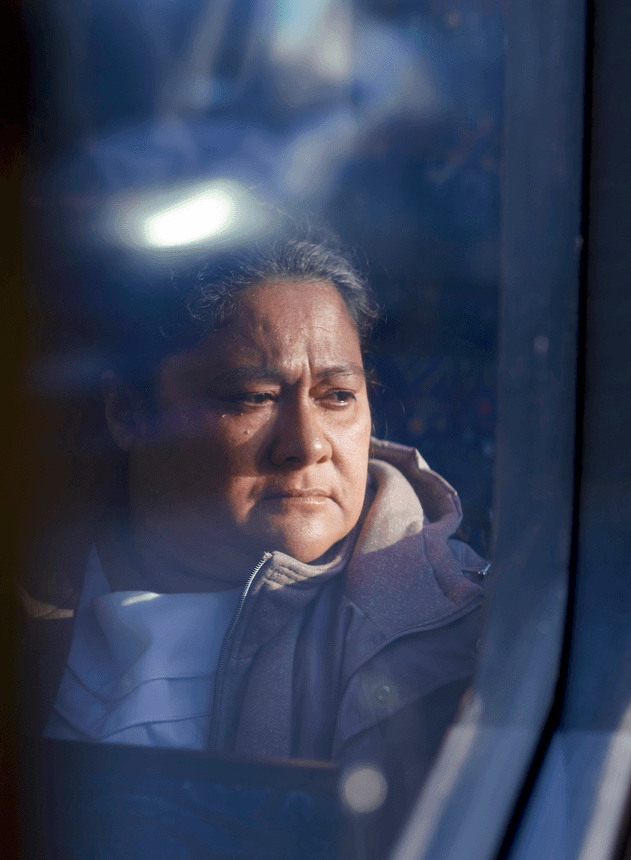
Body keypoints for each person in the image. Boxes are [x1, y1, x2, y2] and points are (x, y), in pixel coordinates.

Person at [19, 227, 487, 830]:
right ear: (129, 413)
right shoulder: (35, 593)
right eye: (253, 396)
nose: (307, 445)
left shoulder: (449, 643)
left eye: (338, 395)